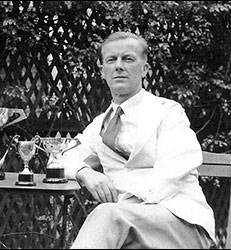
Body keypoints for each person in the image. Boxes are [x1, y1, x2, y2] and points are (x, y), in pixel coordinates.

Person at [52, 31, 216, 249]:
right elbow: (58, 159)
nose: (119, 66)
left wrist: (126, 205)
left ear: (145, 69)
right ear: (102, 71)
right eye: (111, 60)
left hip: (181, 219)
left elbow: (175, 168)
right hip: (128, 225)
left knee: (107, 215)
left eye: (128, 59)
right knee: (111, 218)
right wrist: (86, 173)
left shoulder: (167, 112)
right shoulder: (100, 124)